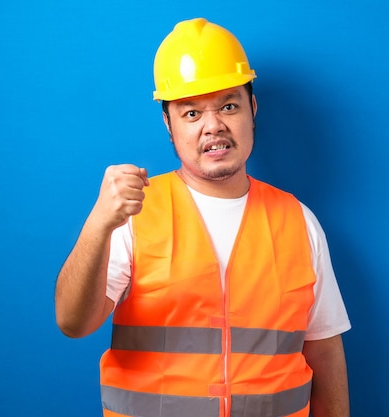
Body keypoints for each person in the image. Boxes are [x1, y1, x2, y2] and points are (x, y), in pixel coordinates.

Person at [55, 17, 351, 417]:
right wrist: (98, 225)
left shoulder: (298, 221)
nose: (214, 127)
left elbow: (325, 351)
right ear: (169, 123)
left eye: (229, 105)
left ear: (252, 108)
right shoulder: (134, 215)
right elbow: (73, 323)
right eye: (191, 113)